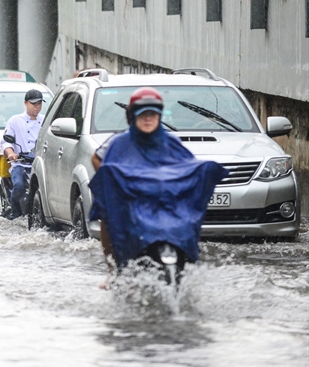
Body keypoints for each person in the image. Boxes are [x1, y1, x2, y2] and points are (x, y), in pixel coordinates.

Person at [88, 87, 228, 287]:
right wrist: (116, 186)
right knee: (108, 216)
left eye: (153, 114)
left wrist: (204, 172)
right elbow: (97, 160)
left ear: (159, 116)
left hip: (163, 201)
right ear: (132, 116)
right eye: (143, 114)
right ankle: (114, 271)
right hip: (131, 201)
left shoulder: (171, 142)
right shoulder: (118, 143)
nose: (148, 119)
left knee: (187, 220)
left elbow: (186, 167)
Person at [0, 89, 45, 220]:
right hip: (20, 163)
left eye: (39, 103)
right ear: (25, 103)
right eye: (34, 103)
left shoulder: (45, 121)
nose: (37, 107)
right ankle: (15, 212)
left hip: (38, 164)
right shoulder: (15, 121)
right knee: (19, 185)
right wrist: (11, 154)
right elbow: (5, 142)